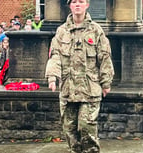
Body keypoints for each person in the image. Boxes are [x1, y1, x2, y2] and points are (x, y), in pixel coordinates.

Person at [45, 0, 114, 152]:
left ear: (87, 4)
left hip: (89, 89)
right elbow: (55, 55)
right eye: (74, 1)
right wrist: (52, 77)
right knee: (69, 130)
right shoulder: (61, 31)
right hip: (68, 89)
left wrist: (106, 82)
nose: (77, 4)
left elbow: (104, 57)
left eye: (81, 1)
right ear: (69, 5)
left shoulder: (96, 30)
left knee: (87, 128)